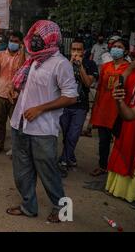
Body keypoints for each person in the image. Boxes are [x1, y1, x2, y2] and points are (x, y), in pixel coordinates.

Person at [6, 20, 78, 223]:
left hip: (43, 129)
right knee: (22, 170)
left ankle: (63, 210)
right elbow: (29, 87)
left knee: (49, 172)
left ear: (51, 38)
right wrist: (16, 90)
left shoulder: (60, 64)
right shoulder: (33, 60)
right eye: (34, 33)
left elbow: (71, 97)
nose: (35, 38)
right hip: (19, 124)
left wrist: (40, 109)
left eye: (40, 35)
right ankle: (28, 206)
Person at [105, 51, 135, 207]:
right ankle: (118, 189)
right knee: (122, 149)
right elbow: (117, 85)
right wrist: (130, 68)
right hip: (127, 116)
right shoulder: (131, 72)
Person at [58, 39, 98, 178]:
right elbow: (61, 81)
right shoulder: (63, 62)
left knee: (73, 135)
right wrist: (69, 64)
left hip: (80, 106)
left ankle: (63, 162)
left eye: (79, 50)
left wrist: (80, 67)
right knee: (66, 134)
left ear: (84, 51)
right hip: (65, 104)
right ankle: (71, 157)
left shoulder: (90, 64)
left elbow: (87, 83)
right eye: (73, 49)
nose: (76, 52)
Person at [89, 39, 130, 177]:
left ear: (126, 51)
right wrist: (96, 106)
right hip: (104, 109)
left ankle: (117, 169)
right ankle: (102, 166)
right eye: (114, 46)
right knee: (103, 141)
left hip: (120, 110)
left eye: (120, 47)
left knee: (120, 141)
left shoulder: (130, 68)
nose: (116, 49)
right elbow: (100, 88)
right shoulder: (106, 66)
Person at [0, 30, 26, 155]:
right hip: (0, 93)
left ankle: (15, 148)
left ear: (21, 43)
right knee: (0, 123)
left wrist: (22, 52)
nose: (13, 43)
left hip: (15, 96)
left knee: (15, 124)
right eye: (11, 41)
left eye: (16, 41)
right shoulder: (0, 54)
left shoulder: (23, 57)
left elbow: (22, 69)